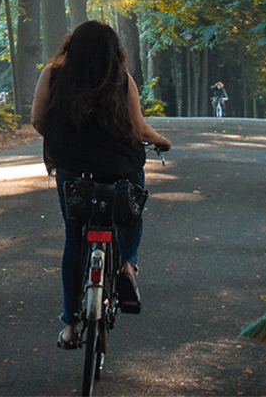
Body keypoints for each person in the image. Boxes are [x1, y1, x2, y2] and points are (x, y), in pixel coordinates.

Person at [34, 20, 172, 349]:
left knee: (74, 240)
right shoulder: (122, 82)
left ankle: (70, 326)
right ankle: (126, 264)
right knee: (131, 214)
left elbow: (38, 120)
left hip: (74, 173)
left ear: (72, 46)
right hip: (120, 169)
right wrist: (162, 141)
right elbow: (139, 130)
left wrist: (67, 146)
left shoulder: (52, 75)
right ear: (114, 51)